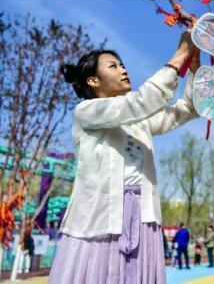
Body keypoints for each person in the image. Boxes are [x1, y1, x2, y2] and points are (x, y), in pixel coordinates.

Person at [48, 32, 200, 283]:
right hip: (101, 217)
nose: (123, 69)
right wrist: (181, 53)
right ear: (94, 81)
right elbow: (139, 102)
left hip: (143, 216)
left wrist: (193, 69)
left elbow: (186, 110)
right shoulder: (86, 112)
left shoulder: (138, 120)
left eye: (122, 65)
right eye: (113, 66)